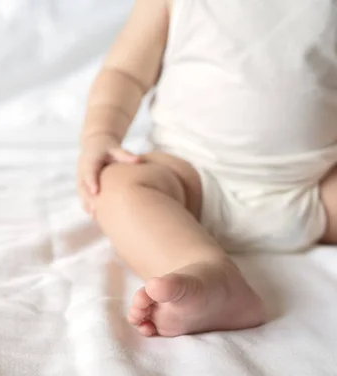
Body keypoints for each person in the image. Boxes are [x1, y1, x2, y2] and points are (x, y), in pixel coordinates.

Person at [77, 0, 337, 337]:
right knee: (117, 186)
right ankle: (207, 274)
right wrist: (101, 134)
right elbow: (124, 73)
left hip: (315, 187)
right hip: (190, 179)